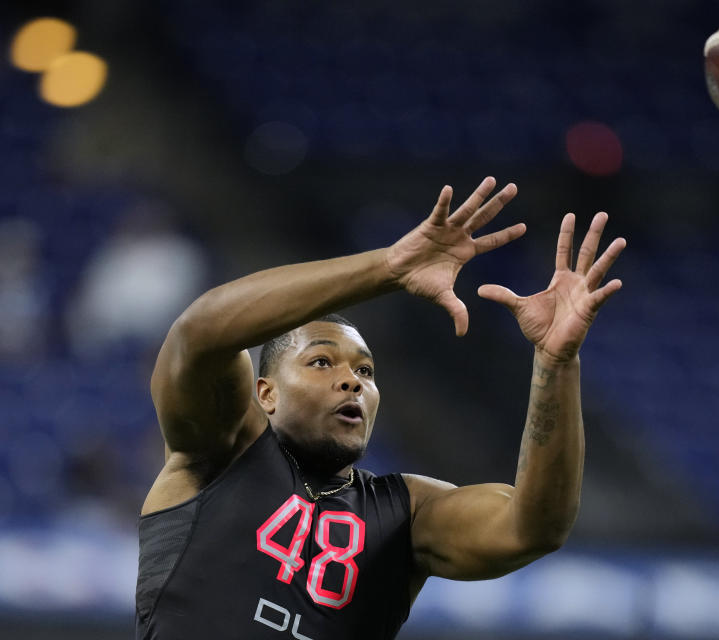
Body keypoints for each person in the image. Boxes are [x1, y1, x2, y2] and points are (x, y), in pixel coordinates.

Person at [136, 177, 626, 639]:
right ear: (266, 393)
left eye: (366, 372)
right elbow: (198, 335)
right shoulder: (221, 453)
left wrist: (556, 364)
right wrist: (390, 267)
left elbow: (532, 527)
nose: (352, 380)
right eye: (322, 362)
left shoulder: (408, 512)